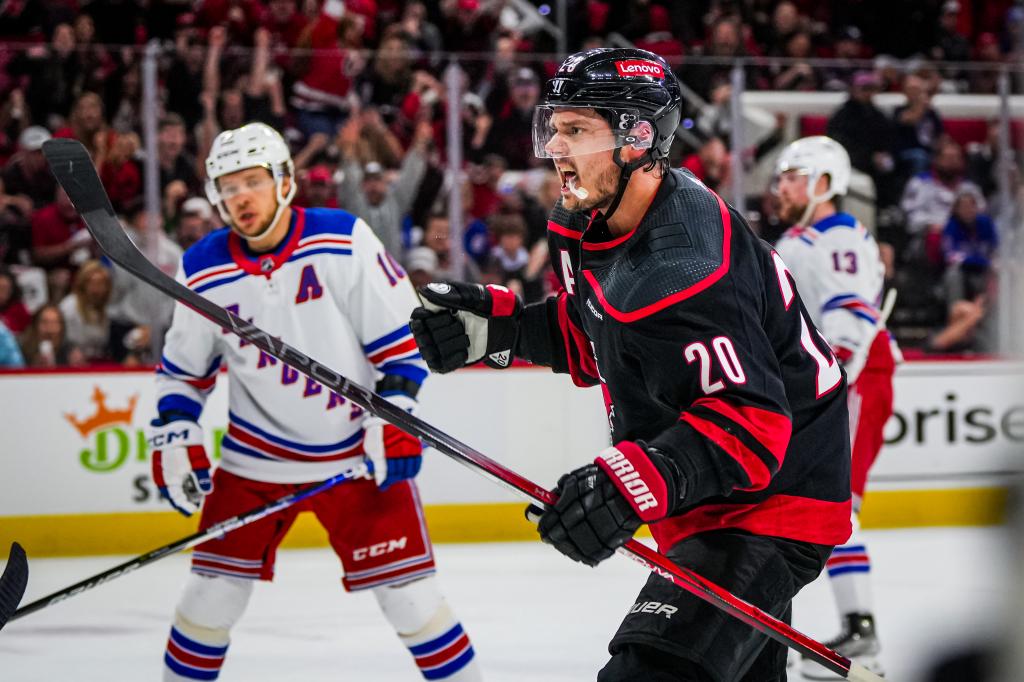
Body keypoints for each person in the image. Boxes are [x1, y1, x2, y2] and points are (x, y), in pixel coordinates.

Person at [410, 48, 852, 681]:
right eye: (554, 128)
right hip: (709, 494)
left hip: (769, 502)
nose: (556, 149)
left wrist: (626, 483)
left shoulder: (686, 263)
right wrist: (499, 331)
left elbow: (753, 425)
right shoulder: (589, 216)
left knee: (650, 670)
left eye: (577, 130)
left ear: (637, 137)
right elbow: (602, 335)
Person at [150, 122, 480, 681]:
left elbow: (404, 346)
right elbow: (183, 374)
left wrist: (394, 413)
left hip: (355, 458)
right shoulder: (202, 267)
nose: (241, 197)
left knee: (412, 602)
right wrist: (174, 435)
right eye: (228, 187)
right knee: (208, 600)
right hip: (253, 463)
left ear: (285, 181)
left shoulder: (342, 239)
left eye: (252, 181)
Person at [772, 136, 899, 679]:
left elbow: (852, 324)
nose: (782, 187)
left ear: (825, 183)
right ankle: (856, 628)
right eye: (782, 177)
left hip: (855, 380)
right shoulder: (799, 237)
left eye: (795, 176)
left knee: (837, 505)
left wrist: (820, 385)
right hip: (833, 381)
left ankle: (861, 632)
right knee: (820, 502)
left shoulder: (838, 236)